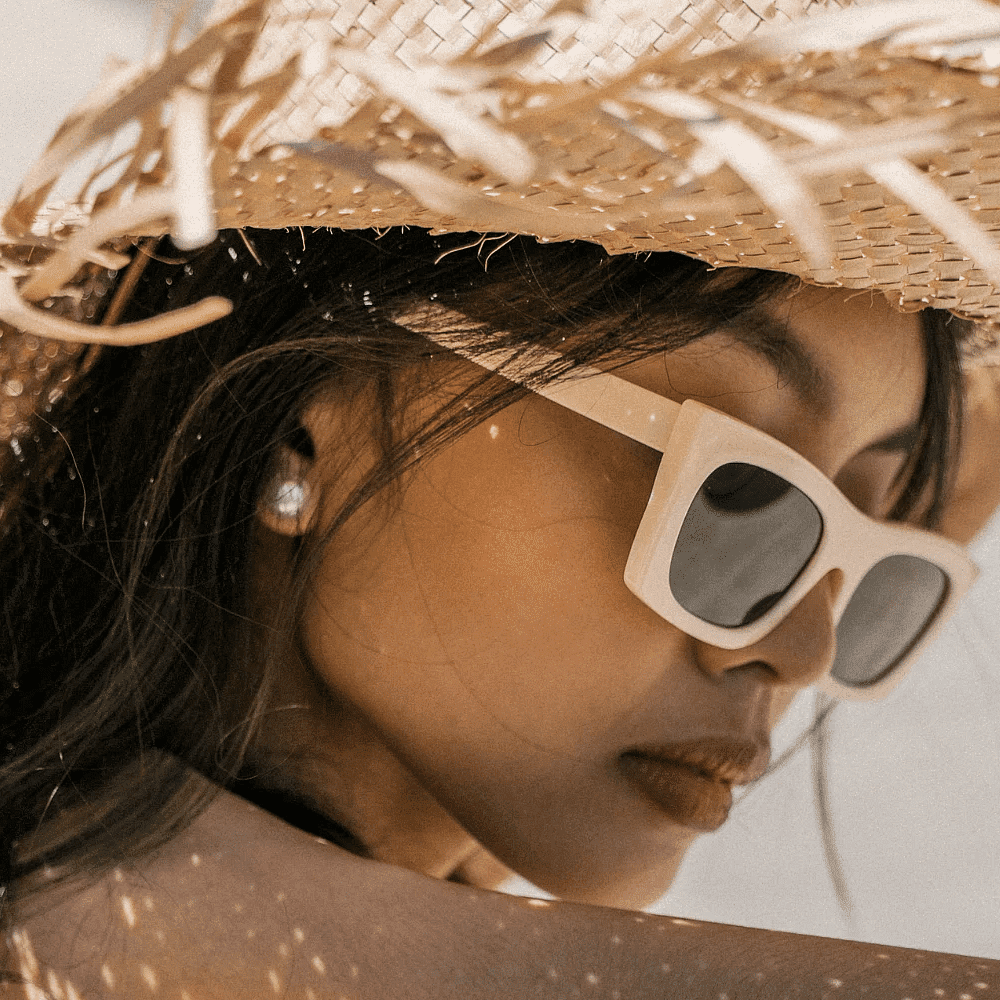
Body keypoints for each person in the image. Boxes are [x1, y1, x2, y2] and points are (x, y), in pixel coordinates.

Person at [2, 1, 1000, 996]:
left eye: (876, 558)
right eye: (739, 492)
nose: (803, 651)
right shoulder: (103, 921)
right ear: (308, 418)